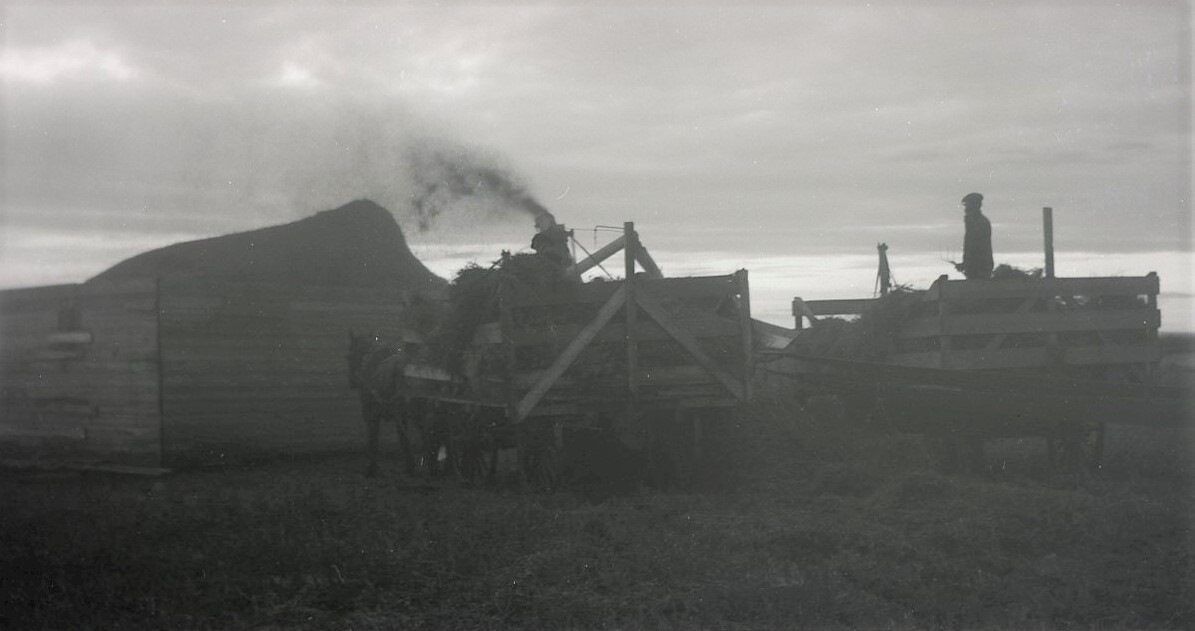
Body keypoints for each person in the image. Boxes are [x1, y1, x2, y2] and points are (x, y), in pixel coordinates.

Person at [955, 192, 993, 280]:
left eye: (967, 206)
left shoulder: (978, 223)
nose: (965, 209)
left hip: (979, 269)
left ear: (975, 206)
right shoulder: (976, 222)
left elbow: (975, 247)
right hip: (978, 268)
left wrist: (966, 265)